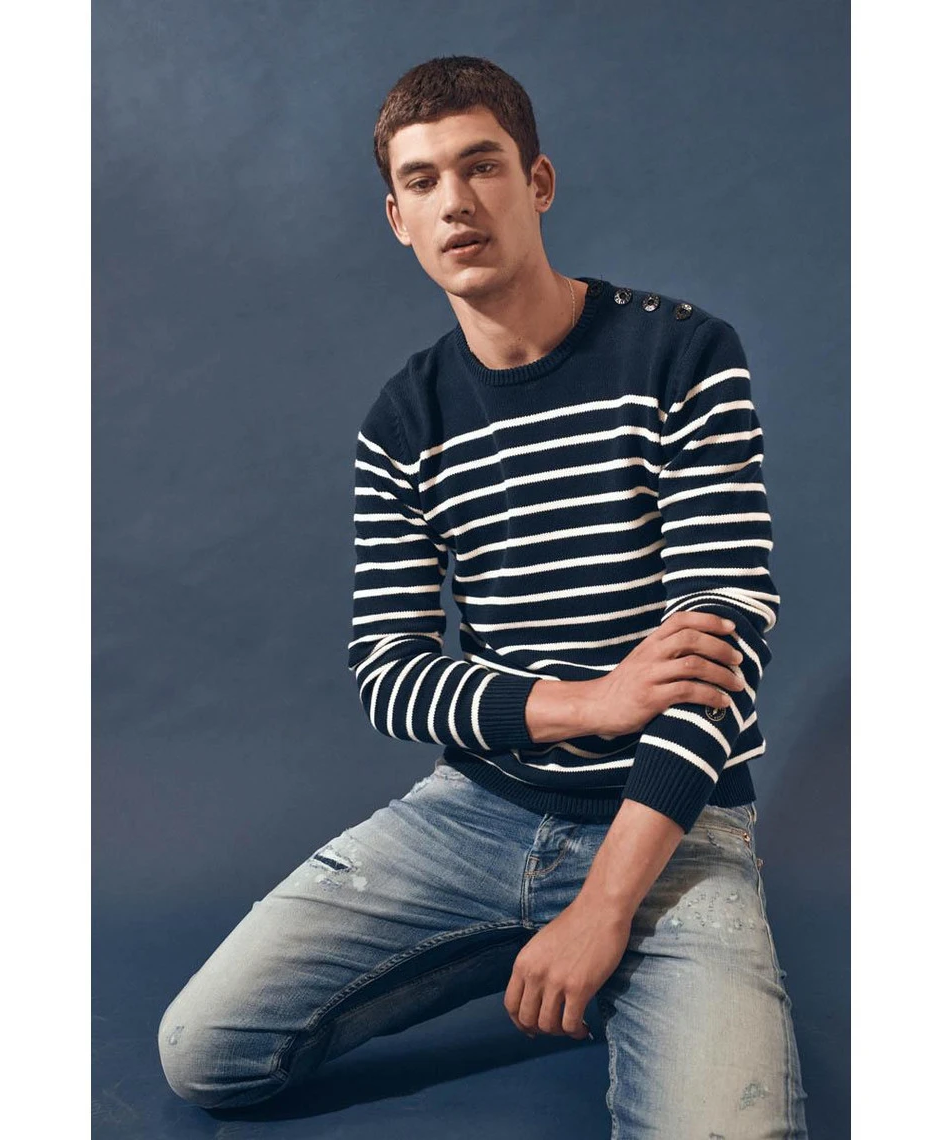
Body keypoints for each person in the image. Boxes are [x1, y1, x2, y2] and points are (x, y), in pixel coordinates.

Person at [158, 55, 809, 1138]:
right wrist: (590, 701)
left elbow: (718, 656)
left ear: (537, 182)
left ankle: (606, 954)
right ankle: (511, 941)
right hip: (475, 816)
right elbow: (387, 672)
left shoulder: (683, 354)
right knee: (203, 1052)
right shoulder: (404, 420)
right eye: (421, 181)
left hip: (672, 829)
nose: (454, 200)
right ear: (398, 219)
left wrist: (605, 907)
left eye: (482, 166)